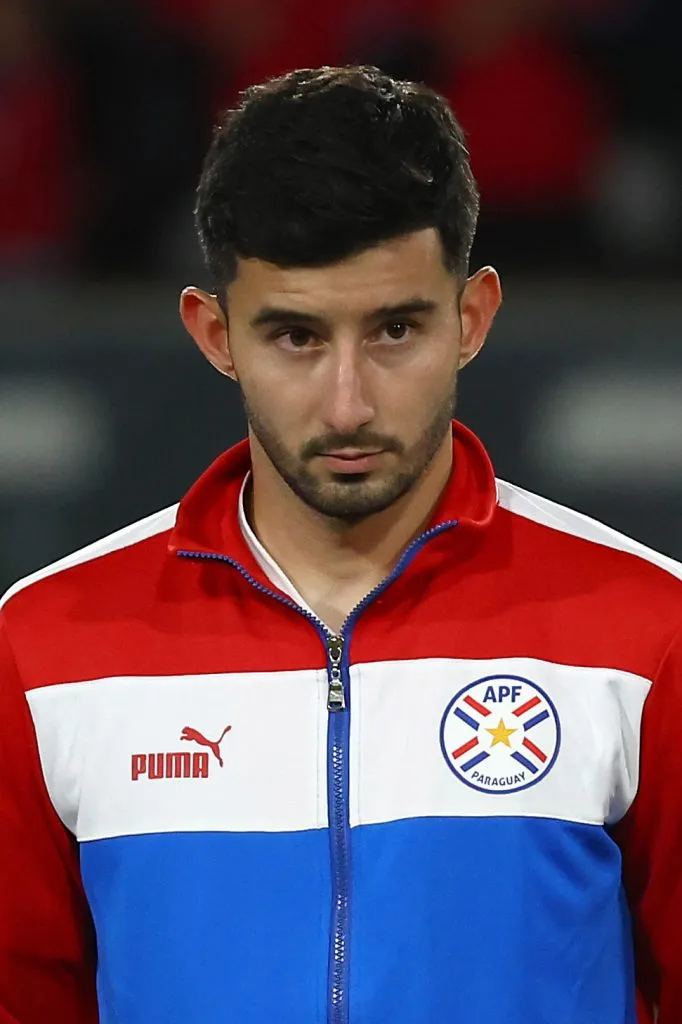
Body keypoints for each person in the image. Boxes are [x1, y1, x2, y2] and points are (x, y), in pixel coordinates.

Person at [0, 65, 680, 1024]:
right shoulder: (39, 651)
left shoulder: (650, 633)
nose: (349, 403)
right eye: (296, 337)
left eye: (396, 328)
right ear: (215, 331)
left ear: (472, 317)